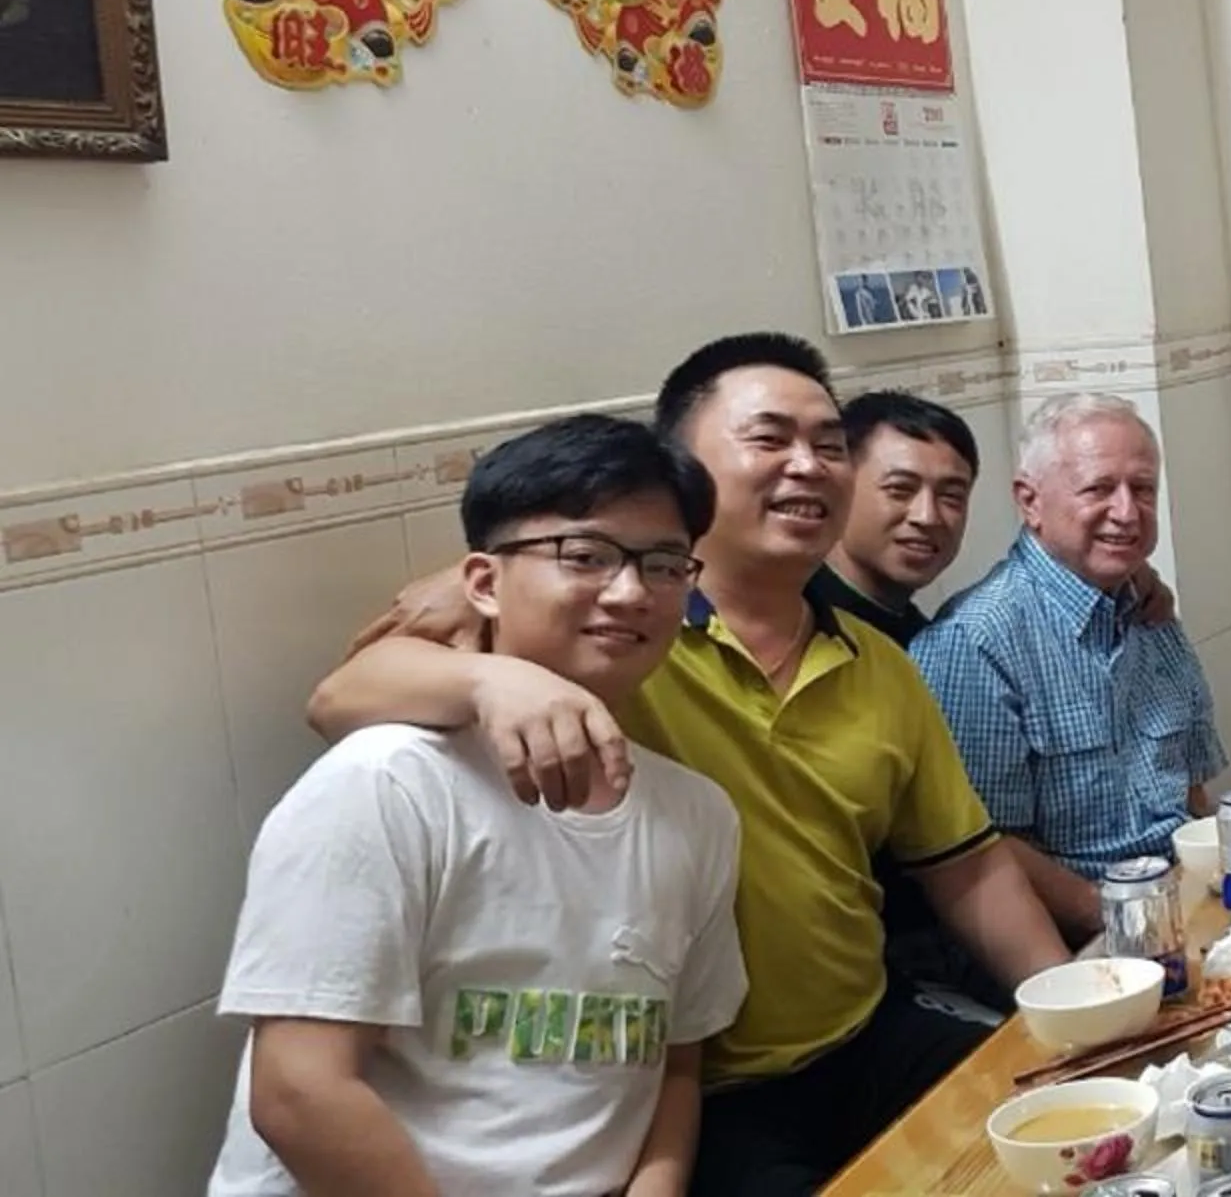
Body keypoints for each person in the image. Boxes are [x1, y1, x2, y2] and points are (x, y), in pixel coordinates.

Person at [310, 333, 1075, 1197]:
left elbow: (968, 868)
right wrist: (493, 676)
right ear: (682, 470)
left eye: (829, 446)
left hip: (864, 1029)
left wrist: (1072, 1010)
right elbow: (341, 697)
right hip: (703, 1091)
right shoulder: (620, 633)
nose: (808, 465)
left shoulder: (878, 664)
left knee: (1075, 1124)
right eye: (769, 438)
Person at [210, 415, 746, 1196]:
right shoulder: (387, 783)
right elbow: (298, 1095)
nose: (630, 592)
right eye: (586, 556)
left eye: (664, 565)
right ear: (485, 585)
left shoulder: (696, 814)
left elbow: (676, 1064)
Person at [913, 394, 1225, 927]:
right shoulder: (976, 640)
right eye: (1098, 489)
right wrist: (1123, 923)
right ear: (1030, 502)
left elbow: (1192, 792)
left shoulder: (1147, 609)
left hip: (1187, 902)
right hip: (1080, 934)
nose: (1127, 513)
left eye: (1143, 489)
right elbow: (983, 848)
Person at [817, 390, 983, 647]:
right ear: (839, 488)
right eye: (900, 489)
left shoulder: (932, 644)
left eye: (951, 496)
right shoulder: (793, 622)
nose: (927, 517)